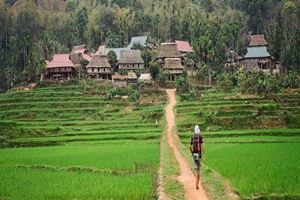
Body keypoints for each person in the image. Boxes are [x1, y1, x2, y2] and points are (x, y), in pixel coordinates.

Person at [189, 125, 205, 190]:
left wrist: (192, 153)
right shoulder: (200, 137)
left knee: (196, 169)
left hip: (194, 154)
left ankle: (196, 176)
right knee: (198, 170)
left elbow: (189, 146)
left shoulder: (192, 137)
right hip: (199, 154)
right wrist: (204, 152)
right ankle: (197, 183)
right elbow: (203, 146)